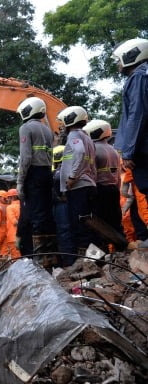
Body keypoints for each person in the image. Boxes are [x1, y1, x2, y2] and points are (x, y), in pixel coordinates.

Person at [16, 97, 57, 266]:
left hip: (33, 173)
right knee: (46, 214)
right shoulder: (47, 129)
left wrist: (20, 181)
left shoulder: (26, 128)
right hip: (47, 172)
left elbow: (25, 157)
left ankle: (38, 259)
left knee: (34, 215)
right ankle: (50, 256)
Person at [57, 106, 97, 258]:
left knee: (80, 227)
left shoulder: (74, 135)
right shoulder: (87, 137)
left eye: (63, 122)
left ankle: (85, 263)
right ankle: (96, 260)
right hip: (89, 185)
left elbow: (79, 153)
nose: (62, 126)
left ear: (70, 120)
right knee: (89, 226)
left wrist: (72, 177)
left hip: (79, 187)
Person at [112, 38, 148, 194]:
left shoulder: (138, 77)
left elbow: (137, 115)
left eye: (118, 59)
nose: (117, 64)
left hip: (143, 151)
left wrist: (128, 152)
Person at [83, 119, 124, 250]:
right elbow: (118, 177)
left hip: (99, 191)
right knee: (115, 224)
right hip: (113, 190)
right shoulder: (114, 151)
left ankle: (101, 257)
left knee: (99, 226)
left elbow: (91, 174)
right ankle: (121, 252)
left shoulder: (93, 149)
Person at [51, 145, 75, 267]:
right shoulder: (72, 169)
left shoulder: (58, 173)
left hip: (62, 206)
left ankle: (68, 261)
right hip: (68, 205)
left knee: (64, 233)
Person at [5, 188, 21, 259]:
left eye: (8, 198)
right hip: (24, 236)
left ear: (12, 197)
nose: (7, 200)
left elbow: (14, 222)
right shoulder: (23, 205)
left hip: (13, 237)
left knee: (16, 259)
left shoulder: (10, 207)